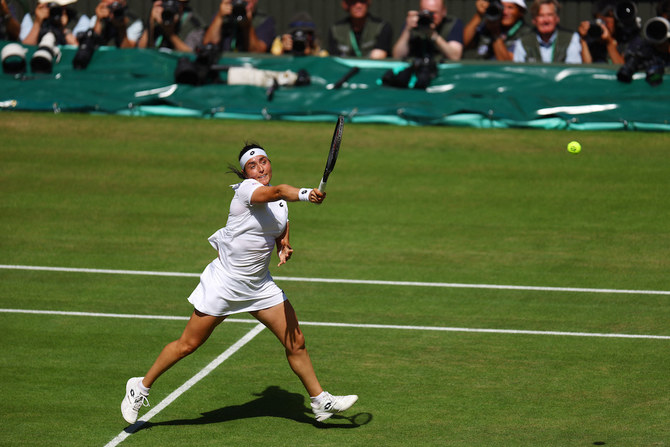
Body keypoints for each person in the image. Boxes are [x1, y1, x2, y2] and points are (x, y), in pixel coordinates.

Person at [120, 144, 358, 425]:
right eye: (253, 165)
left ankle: (320, 401)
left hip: (259, 286)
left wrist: (284, 245)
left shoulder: (280, 205)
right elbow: (280, 191)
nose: (261, 169)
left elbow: (280, 223)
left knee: (296, 342)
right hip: (225, 285)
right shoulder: (246, 191)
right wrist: (306, 194)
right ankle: (140, 386)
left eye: (264, 162)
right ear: (246, 172)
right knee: (187, 345)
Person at [513, 0, 584, 63]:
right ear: (534, 20)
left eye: (550, 15)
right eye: (541, 15)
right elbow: (519, 73)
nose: (546, 20)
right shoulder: (523, 42)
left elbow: (571, 71)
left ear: (557, 18)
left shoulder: (571, 39)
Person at [392, 0, 464, 62]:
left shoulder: (452, 24)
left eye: (433, 13)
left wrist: (433, 35)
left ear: (444, 11)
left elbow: (455, 57)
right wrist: (407, 30)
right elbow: (397, 56)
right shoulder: (413, 23)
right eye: (425, 12)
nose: (429, 16)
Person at [463, 0, 533, 60]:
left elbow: (508, 64)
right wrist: (479, 15)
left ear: (521, 11)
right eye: (502, 7)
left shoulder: (527, 34)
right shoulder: (487, 27)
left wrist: (495, 33)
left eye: (510, 7)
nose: (505, 12)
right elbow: (464, 43)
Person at [327, 0, 392, 59]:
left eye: (362, 1)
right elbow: (333, 58)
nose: (358, 6)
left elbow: (379, 57)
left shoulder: (381, 27)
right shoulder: (335, 29)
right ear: (345, 4)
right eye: (353, 2)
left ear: (368, 3)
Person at [202, 0, 275, 53]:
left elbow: (257, 51)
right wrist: (219, 17)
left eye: (247, 3)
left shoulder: (263, 20)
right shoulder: (223, 17)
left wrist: (247, 26)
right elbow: (209, 44)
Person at [137, 0, 205, 52]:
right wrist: (151, 23)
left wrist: (170, 33)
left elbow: (190, 55)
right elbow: (141, 51)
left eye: (176, 2)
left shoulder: (194, 23)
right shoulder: (157, 19)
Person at [20, 0, 86, 46]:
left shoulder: (77, 19)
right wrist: (38, 21)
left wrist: (63, 28)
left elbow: (77, 49)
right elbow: (27, 47)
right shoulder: (31, 18)